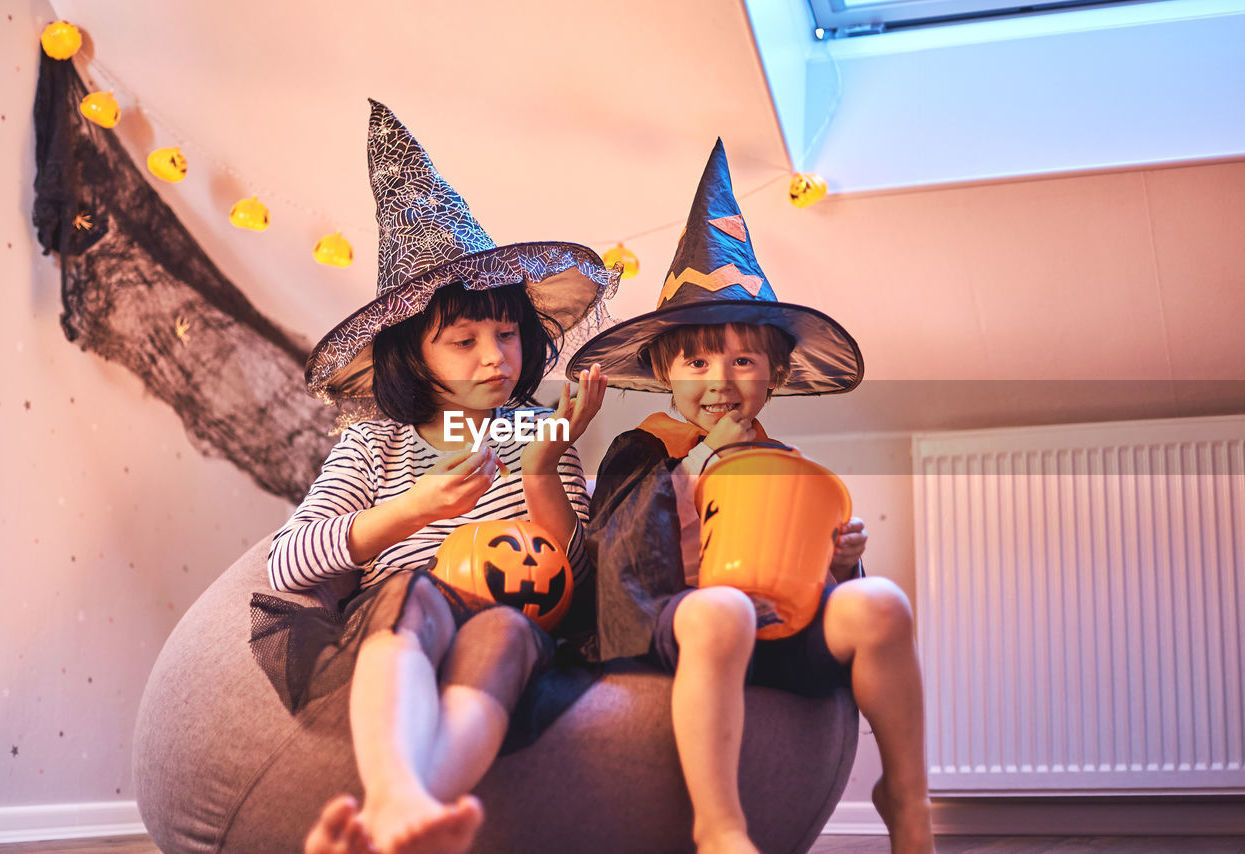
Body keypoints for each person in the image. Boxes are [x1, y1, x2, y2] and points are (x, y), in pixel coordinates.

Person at [251, 100, 617, 854]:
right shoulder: (375, 446)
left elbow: (575, 585)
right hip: (402, 624)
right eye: (464, 339)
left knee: (507, 631)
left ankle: (404, 816)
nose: (495, 357)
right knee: (413, 590)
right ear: (411, 354)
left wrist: (543, 472)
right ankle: (395, 798)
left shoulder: (535, 433)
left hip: (515, 622)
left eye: (508, 333)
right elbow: (286, 562)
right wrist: (407, 513)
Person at [567, 140, 935, 854]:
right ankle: (720, 823)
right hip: (677, 629)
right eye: (697, 361)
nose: (720, 379)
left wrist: (839, 565)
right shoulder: (643, 449)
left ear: (773, 377)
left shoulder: (781, 463)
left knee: (881, 603)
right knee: (724, 610)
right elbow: (618, 553)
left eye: (743, 360)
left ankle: (909, 799)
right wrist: (708, 458)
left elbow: (797, 556)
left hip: (783, 624)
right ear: (665, 374)